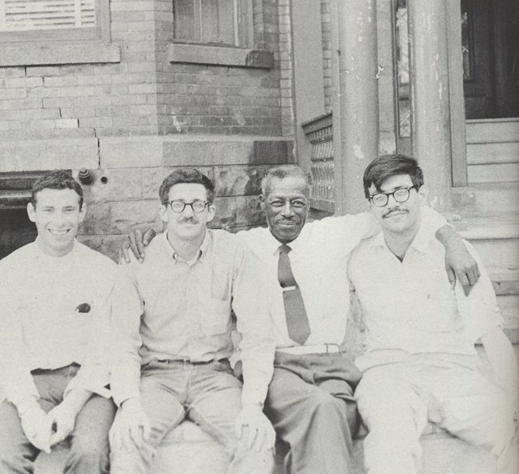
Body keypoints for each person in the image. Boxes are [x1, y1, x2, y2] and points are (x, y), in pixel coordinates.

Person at [122, 164, 479, 474]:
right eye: (277, 202)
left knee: (335, 409)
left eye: (297, 203)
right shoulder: (242, 246)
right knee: (321, 409)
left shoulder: (334, 234)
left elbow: (396, 208)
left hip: (332, 365)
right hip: (277, 363)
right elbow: (190, 228)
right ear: (262, 203)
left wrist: (450, 238)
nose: (287, 212)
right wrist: (147, 232)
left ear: (309, 203)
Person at [348, 154, 518, 474]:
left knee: (506, 425)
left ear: (421, 194)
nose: (392, 204)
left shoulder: (457, 254)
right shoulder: (357, 257)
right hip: (386, 373)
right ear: (370, 205)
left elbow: (490, 332)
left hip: (452, 370)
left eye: (401, 192)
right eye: (380, 197)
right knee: (389, 442)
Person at [109, 168, 276, 474]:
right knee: (128, 442)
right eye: (178, 204)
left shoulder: (233, 253)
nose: (188, 213)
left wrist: (253, 405)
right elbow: (122, 341)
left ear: (210, 211)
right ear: (163, 212)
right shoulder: (138, 259)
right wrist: (129, 404)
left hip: (215, 378)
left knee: (255, 442)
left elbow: (256, 336)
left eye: (198, 204)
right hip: (156, 379)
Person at [0, 170, 129, 474]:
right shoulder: (9, 271)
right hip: (32, 381)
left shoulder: (104, 270)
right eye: (49, 210)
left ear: (82, 212)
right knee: (3, 458)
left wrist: (71, 407)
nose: (59, 221)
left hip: (88, 385)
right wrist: (28, 410)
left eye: (68, 210)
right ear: (32, 213)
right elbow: (6, 351)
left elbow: (103, 350)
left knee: (90, 453)